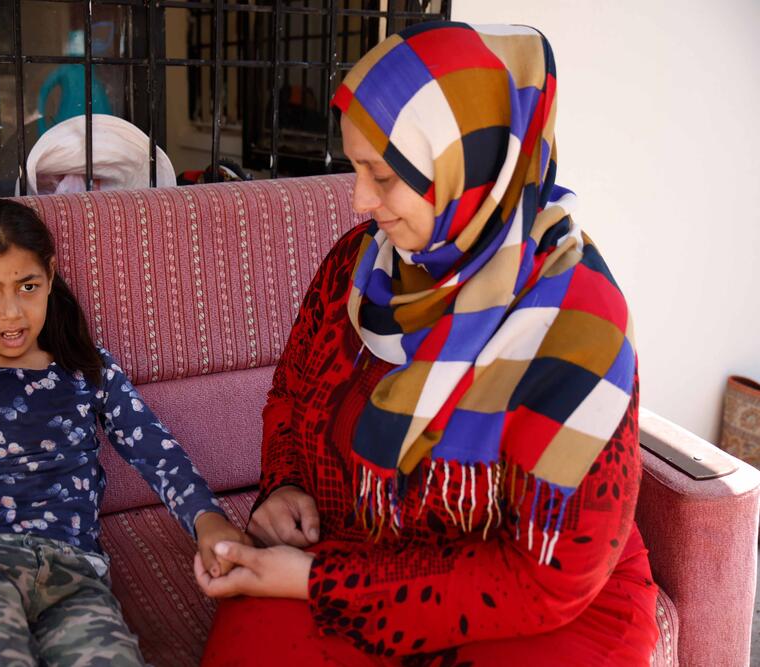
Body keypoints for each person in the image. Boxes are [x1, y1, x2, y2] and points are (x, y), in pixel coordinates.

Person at [196, 22, 659, 665]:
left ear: (466, 170)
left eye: (381, 176)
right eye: (354, 169)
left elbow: (545, 579)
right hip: (359, 551)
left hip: (533, 605)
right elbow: (290, 394)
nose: (360, 201)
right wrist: (285, 487)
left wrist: (312, 581)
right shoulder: (362, 269)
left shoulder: (576, 325)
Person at [0, 199, 248, 667]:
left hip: (74, 578)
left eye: (27, 286)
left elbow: (159, 456)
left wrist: (209, 521)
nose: (12, 313)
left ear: (50, 276)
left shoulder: (87, 372)